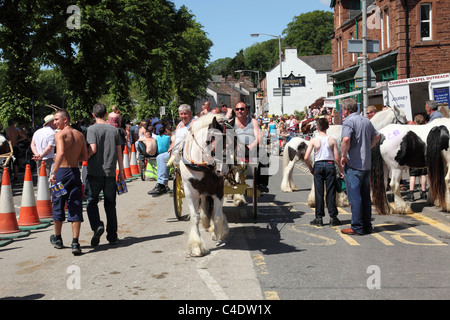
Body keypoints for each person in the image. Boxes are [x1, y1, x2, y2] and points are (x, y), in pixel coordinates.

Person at [49, 109, 88, 255]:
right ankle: (75, 242)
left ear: (65, 120)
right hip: (74, 173)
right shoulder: (80, 135)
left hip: (61, 173)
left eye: (57, 119)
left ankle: (58, 238)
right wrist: (72, 158)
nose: (54, 122)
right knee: (75, 204)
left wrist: (53, 172)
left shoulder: (60, 134)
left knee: (58, 202)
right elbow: (85, 156)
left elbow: (60, 153)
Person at [85, 103, 125, 247]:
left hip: (94, 172)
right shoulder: (114, 130)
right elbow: (119, 151)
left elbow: (93, 148)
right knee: (110, 205)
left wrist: (83, 156)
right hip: (110, 173)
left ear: (93, 114)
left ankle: (97, 225)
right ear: (106, 113)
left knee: (91, 201)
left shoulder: (91, 129)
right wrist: (121, 171)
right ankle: (112, 235)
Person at [340, 98, 380, 235]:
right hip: (366, 164)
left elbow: (346, 139)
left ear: (346, 110)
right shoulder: (366, 120)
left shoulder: (349, 122)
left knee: (355, 197)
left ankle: (356, 226)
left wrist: (343, 155)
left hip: (354, 164)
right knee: (365, 196)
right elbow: (377, 136)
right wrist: (368, 147)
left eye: (342, 110)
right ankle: (367, 225)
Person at [304, 118, 343, 226]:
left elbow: (306, 157)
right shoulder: (332, 140)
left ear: (317, 127)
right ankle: (333, 217)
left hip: (318, 165)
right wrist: (341, 170)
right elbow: (337, 158)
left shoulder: (314, 140)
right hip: (330, 165)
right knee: (331, 192)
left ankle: (319, 218)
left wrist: (311, 168)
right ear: (328, 127)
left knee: (319, 192)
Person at [148, 104, 194, 196]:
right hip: (176, 151)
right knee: (161, 157)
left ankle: (162, 184)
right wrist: (172, 146)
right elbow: (176, 138)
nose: (183, 116)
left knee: (165, 158)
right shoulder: (180, 124)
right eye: (181, 114)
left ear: (190, 113)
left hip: (188, 152)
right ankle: (162, 185)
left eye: (186, 114)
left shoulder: (194, 122)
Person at [233, 101, 269, 193]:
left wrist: (252, 145)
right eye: (237, 109)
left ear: (247, 110)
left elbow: (258, 137)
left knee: (264, 156)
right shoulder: (231, 122)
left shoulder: (253, 121)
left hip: (250, 148)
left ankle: (261, 183)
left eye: (242, 109)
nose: (239, 111)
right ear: (235, 111)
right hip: (235, 149)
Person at [405, 114, 428, 202]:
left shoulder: (413, 131)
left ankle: (411, 193)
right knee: (423, 174)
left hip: (414, 156)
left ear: (415, 122)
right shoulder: (426, 130)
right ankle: (424, 192)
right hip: (424, 156)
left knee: (413, 175)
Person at [31, 114, 56, 179]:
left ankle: (40, 189)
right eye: (54, 121)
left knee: (40, 177)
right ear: (50, 122)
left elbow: (32, 145)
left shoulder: (37, 132)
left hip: (38, 159)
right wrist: (41, 156)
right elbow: (49, 147)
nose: (56, 123)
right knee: (47, 178)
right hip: (48, 159)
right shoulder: (52, 133)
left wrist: (37, 155)